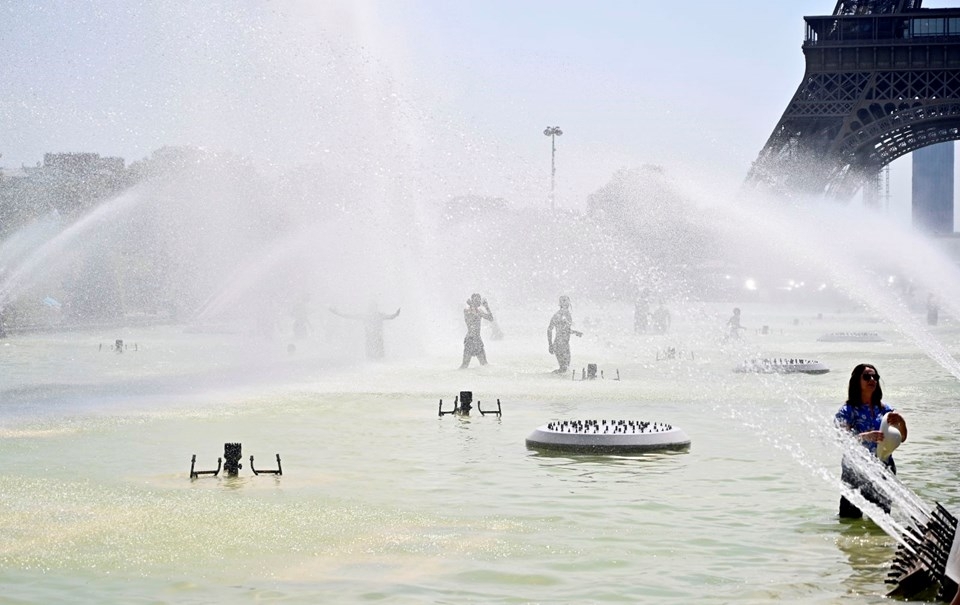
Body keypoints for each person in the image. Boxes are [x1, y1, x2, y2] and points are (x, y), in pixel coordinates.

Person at [834, 363, 908, 519]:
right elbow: (841, 439)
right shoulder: (847, 411)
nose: (872, 379)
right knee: (850, 520)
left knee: (882, 519)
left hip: (883, 468)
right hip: (855, 471)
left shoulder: (885, 409)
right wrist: (865, 436)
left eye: (875, 377)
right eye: (867, 376)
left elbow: (902, 438)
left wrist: (902, 422)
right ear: (857, 381)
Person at [329, 302, 400, 359]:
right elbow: (349, 316)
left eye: (374, 307)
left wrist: (396, 314)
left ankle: (378, 368)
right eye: (372, 308)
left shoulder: (378, 315)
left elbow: (391, 317)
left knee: (379, 356)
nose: (373, 309)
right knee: (372, 356)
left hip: (377, 339)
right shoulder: (368, 315)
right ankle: (374, 368)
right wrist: (337, 313)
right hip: (371, 339)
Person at [547, 295, 583, 374]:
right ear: (560, 304)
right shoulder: (558, 315)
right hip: (559, 344)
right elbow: (550, 329)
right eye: (564, 302)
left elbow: (565, 330)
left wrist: (575, 332)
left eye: (567, 302)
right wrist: (550, 345)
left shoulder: (567, 314)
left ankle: (552, 378)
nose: (566, 304)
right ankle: (549, 378)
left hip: (565, 344)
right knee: (564, 369)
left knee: (566, 369)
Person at [460, 293, 493, 368]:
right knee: (464, 365)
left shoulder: (479, 311)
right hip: (470, 340)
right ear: (472, 300)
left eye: (479, 300)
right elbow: (473, 315)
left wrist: (487, 307)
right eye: (476, 300)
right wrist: (472, 305)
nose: (478, 302)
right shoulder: (467, 310)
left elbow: (491, 319)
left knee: (484, 364)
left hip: (478, 340)